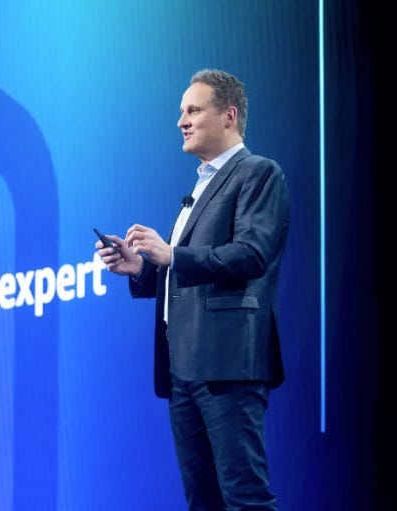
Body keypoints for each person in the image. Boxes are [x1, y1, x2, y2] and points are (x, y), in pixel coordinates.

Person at [96, 69, 289, 511]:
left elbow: (251, 254)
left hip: (226, 364)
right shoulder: (201, 185)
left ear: (229, 116)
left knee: (245, 499)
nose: (181, 121)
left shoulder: (258, 173)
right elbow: (185, 273)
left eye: (193, 110)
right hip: (183, 369)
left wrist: (172, 255)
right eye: (182, 111)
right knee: (203, 502)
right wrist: (142, 269)